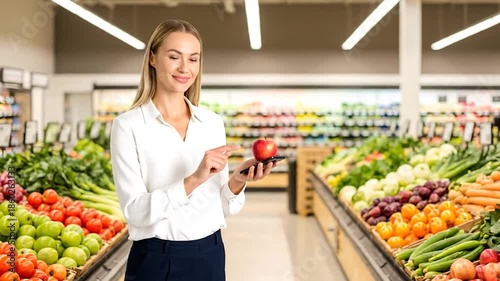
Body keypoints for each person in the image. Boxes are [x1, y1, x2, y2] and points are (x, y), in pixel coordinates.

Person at [110, 19, 279, 281]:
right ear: (152, 58)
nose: (184, 68)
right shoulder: (128, 126)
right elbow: (135, 211)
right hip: (155, 259)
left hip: (209, 254)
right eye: (174, 57)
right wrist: (193, 180)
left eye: (193, 59)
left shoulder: (211, 123)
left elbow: (222, 206)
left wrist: (237, 180)